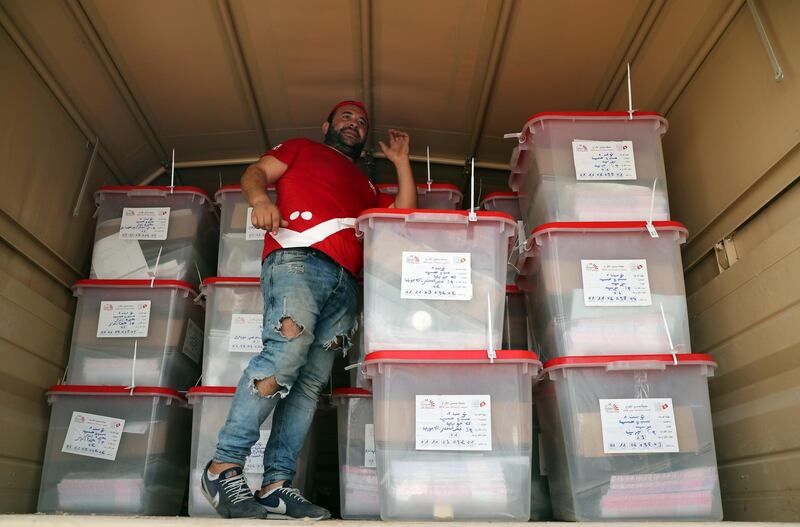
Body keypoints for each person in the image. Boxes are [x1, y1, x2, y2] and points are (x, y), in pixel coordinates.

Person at [201, 100, 416, 519]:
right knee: (284, 356)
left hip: (345, 284)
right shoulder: (300, 148)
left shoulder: (367, 187)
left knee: (309, 386)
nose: (354, 124)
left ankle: (275, 486)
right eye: (346, 117)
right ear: (327, 125)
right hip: (297, 259)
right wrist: (260, 198)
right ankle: (222, 466)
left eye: (362, 122)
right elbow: (255, 172)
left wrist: (402, 163)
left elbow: (403, 215)